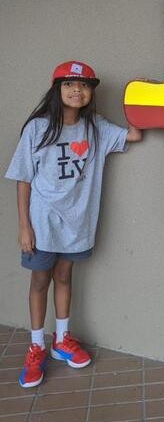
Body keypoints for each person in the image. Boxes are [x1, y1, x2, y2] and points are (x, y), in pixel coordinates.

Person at [5, 61, 142, 388]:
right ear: (57, 89)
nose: (76, 90)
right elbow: (23, 178)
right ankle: (36, 346)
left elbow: (134, 134)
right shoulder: (38, 128)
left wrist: (143, 98)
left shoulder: (96, 127)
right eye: (68, 84)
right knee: (41, 280)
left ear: (91, 91)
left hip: (78, 222)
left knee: (65, 276)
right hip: (43, 221)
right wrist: (24, 226)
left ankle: (61, 340)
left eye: (83, 85)